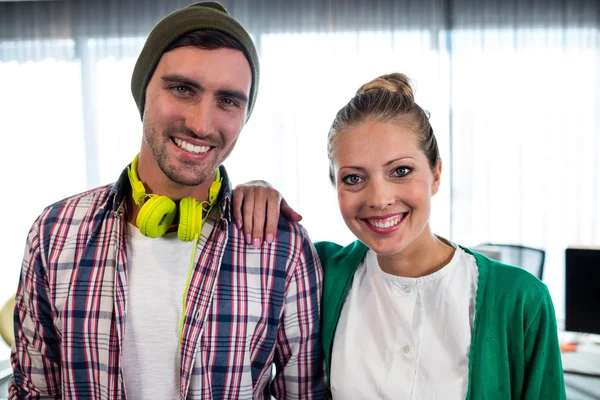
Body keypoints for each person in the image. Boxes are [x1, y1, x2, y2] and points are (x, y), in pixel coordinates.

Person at [9, 3, 325, 399]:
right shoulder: (54, 232)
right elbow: (33, 391)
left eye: (228, 100)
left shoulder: (284, 247)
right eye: (182, 89)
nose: (201, 124)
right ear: (143, 91)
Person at [233, 73, 566, 398]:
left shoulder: (523, 299)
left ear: (436, 173)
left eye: (401, 171)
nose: (379, 199)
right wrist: (259, 189)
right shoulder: (315, 271)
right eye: (353, 178)